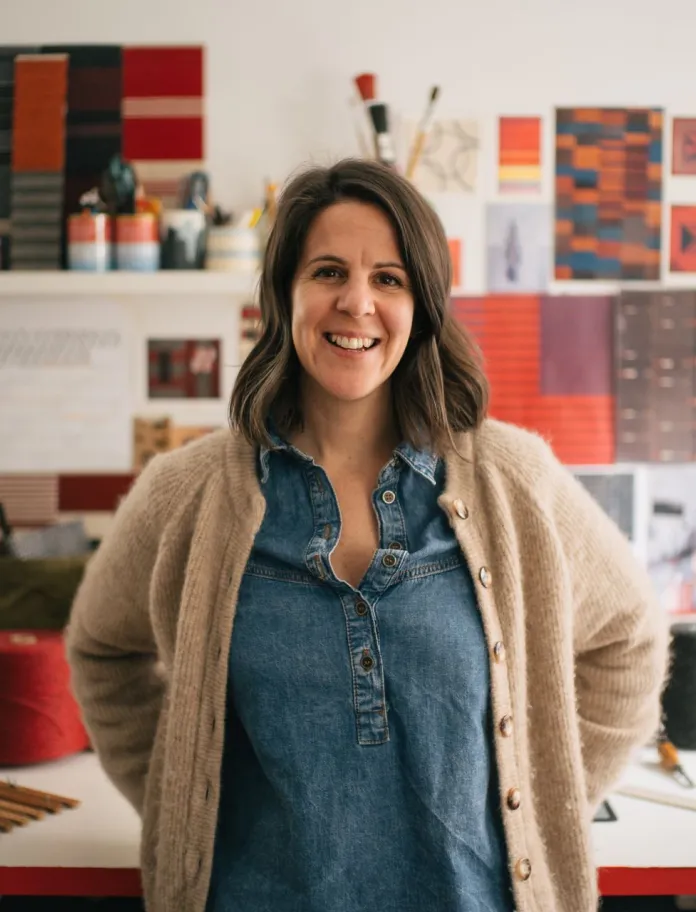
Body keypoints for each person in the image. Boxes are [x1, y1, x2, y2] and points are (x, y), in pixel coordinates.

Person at [66, 159, 669, 912]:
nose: (356, 302)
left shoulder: (513, 478)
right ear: (284, 294)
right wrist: (179, 794)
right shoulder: (187, 493)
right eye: (327, 271)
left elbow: (628, 638)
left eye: (389, 278)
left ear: (422, 304)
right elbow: (102, 648)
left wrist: (546, 793)